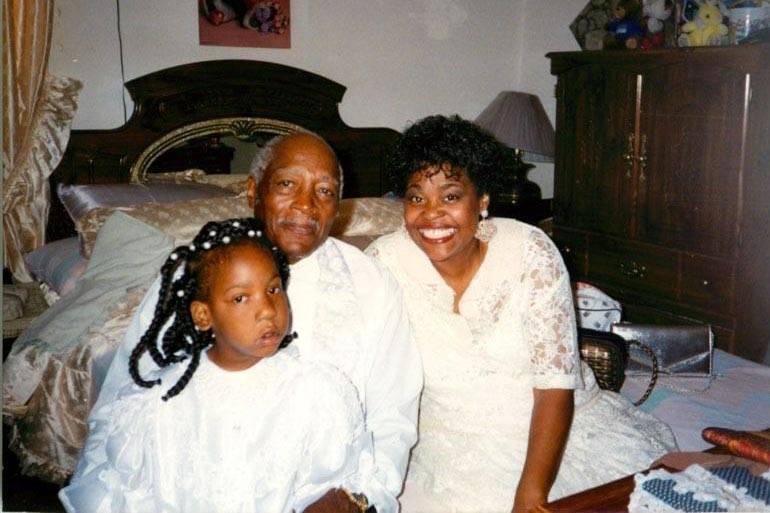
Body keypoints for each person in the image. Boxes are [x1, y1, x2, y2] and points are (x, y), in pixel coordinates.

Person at [94, 132, 422, 513]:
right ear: (254, 192)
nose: (306, 205)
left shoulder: (372, 283)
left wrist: (358, 497)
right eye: (287, 184)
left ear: (338, 207)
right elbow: (124, 410)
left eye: (325, 191)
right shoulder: (196, 276)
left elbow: (392, 417)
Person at [365, 115, 677, 513]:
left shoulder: (530, 251)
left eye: (450, 196)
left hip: (551, 432)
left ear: (481, 201)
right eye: (416, 197)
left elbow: (554, 386)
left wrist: (530, 495)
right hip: (444, 443)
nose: (431, 214)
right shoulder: (383, 262)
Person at [60, 218, 374, 513]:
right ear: (203, 316)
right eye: (241, 298)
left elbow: (333, 487)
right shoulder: (157, 404)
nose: (267, 310)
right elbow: (127, 496)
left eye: (273, 289)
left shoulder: (315, 392)